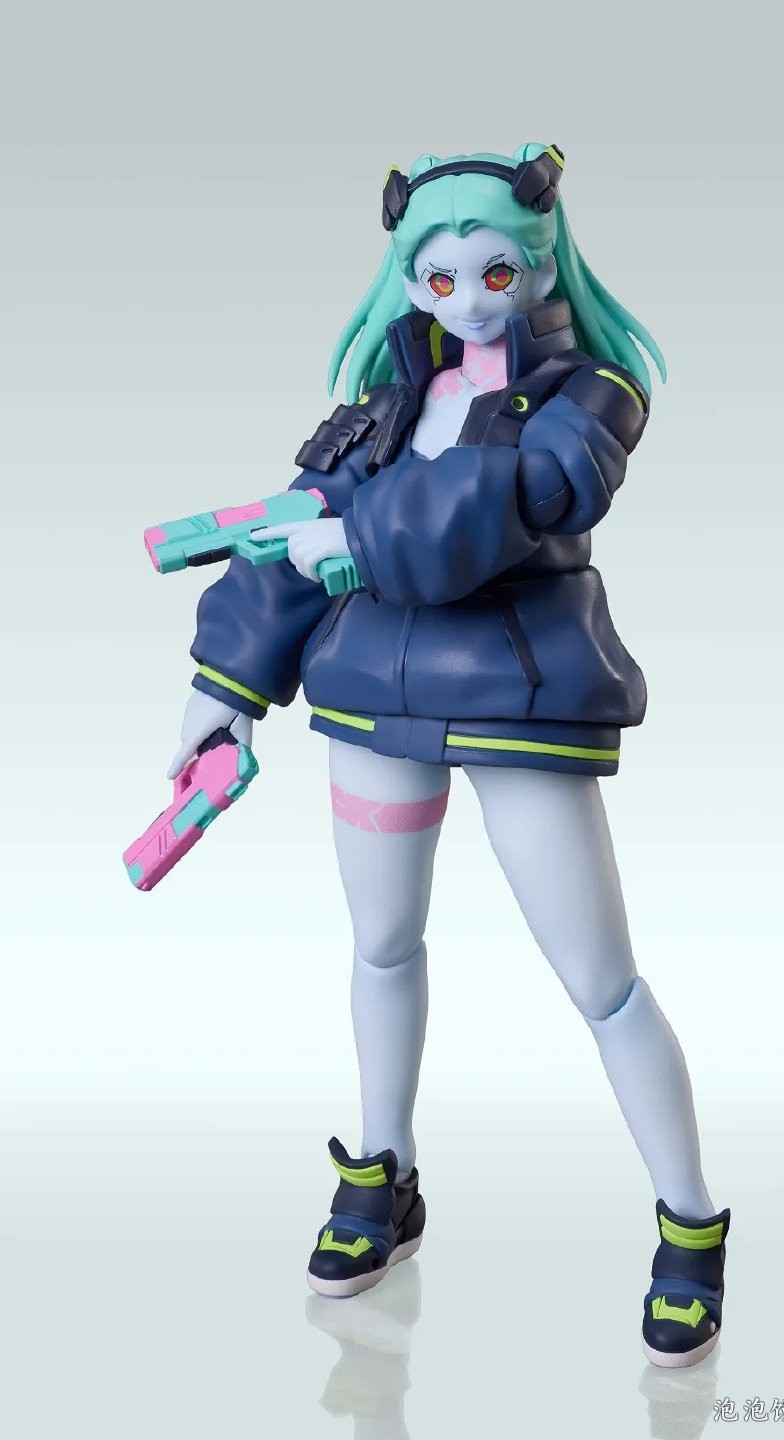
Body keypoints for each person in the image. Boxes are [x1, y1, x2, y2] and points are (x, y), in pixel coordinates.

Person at [167, 143, 731, 1368]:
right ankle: (384, 1169)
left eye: (497, 271)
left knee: (601, 980)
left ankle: (690, 1220)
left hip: (515, 699)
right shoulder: (388, 399)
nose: (470, 298)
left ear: (543, 262)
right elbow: (291, 531)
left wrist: (355, 536)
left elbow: (523, 497)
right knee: (380, 946)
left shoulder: (592, 397)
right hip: (373, 698)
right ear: (408, 279)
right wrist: (225, 690)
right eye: (439, 278)